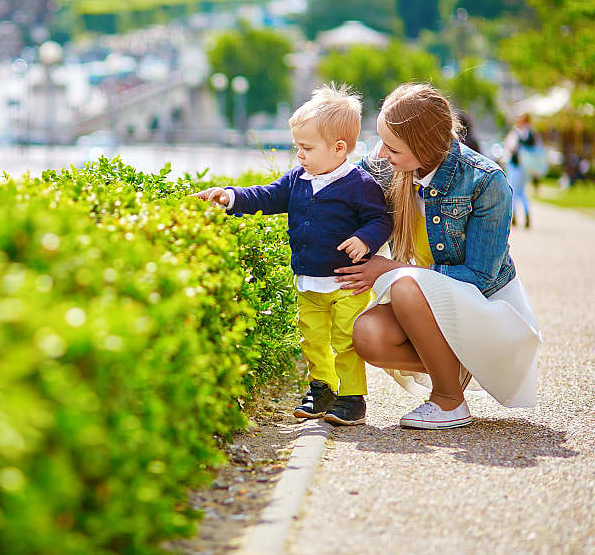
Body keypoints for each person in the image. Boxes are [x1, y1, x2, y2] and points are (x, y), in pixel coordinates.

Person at [336, 83, 540, 430]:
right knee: (368, 334)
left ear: (424, 145)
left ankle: (448, 401)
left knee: (403, 284)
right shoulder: (390, 167)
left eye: (392, 146)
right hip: (429, 303)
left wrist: (391, 268)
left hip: (488, 308)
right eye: (381, 140)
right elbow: (336, 182)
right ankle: (452, 362)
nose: (381, 153)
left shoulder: (485, 180)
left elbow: (480, 277)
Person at [193, 85, 392, 426]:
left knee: (345, 339)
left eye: (306, 148)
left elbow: (381, 219)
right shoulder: (297, 179)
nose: (299, 155)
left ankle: (352, 397)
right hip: (308, 280)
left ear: (339, 148)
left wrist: (365, 239)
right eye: (297, 146)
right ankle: (322, 387)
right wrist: (231, 196)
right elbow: (267, 196)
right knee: (312, 339)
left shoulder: (359, 184)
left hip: (347, 282)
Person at [504, 114, 543, 225]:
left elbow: (510, 147)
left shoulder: (517, 133)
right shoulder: (533, 134)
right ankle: (526, 214)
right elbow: (539, 149)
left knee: (513, 191)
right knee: (522, 192)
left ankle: (514, 216)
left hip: (516, 165)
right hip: (526, 168)